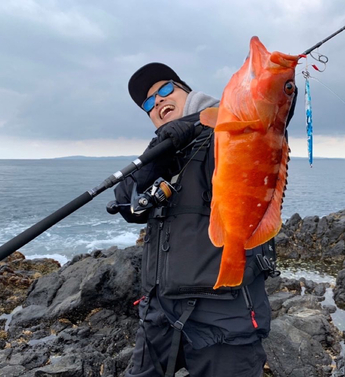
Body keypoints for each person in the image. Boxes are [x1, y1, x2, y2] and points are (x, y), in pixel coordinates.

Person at [114, 63, 280, 377]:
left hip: (224, 316)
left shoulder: (231, 129)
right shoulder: (165, 150)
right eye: (148, 103)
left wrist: (197, 123)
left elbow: (263, 127)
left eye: (165, 89)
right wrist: (159, 150)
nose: (158, 101)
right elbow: (126, 203)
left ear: (187, 91)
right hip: (158, 314)